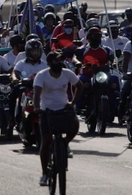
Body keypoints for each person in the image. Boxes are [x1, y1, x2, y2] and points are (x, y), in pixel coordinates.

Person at [34, 51, 83, 186]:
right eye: (56, 61)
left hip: (64, 109)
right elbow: (37, 93)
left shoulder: (67, 73)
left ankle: (64, 144)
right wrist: (37, 107)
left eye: (60, 61)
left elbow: (79, 86)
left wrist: (73, 102)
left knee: (75, 125)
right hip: (47, 111)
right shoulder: (42, 75)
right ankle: (44, 174)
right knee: (46, 142)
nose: (59, 64)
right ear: (49, 64)